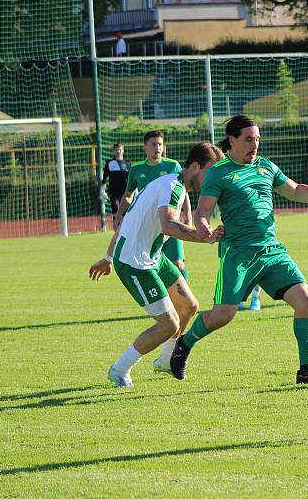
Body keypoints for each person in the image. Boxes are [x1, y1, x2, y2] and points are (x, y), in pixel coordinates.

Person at [169, 115, 308, 384]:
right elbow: (203, 211)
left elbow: (295, 191)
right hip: (238, 253)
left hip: (271, 250)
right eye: (248, 139)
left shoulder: (266, 166)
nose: (254, 144)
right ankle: (184, 345)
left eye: (257, 139)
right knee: (223, 314)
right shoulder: (219, 172)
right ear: (232, 140)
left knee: (306, 300)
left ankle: (306, 371)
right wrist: (203, 227)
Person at [89, 143, 225, 387]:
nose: (213, 179)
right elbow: (168, 226)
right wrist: (203, 238)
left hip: (153, 256)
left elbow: (133, 219)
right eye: (210, 172)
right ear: (195, 167)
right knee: (169, 323)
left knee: (188, 305)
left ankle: (165, 360)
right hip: (134, 263)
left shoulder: (174, 185)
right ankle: (120, 368)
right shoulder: (172, 186)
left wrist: (107, 258)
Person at [114, 130, 192, 282]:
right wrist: (119, 215)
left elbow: (184, 192)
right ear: (145, 147)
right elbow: (128, 195)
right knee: (153, 264)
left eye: (160, 144)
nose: (158, 148)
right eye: (154, 144)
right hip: (148, 225)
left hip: (170, 221)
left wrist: (188, 215)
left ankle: (185, 291)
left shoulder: (173, 166)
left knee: (177, 263)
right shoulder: (137, 169)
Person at [100, 143, 131, 215]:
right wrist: (102, 190)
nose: (118, 151)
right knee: (116, 210)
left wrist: (135, 190)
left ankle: (125, 226)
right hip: (114, 191)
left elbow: (131, 178)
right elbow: (105, 177)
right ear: (113, 151)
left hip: (126, 191)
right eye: (116, 150)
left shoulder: (128, 163)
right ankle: (116, 225)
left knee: (125, 213)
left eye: (120, 149)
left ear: (123, 151)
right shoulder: (109, 163)